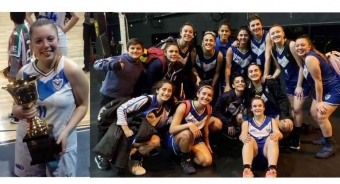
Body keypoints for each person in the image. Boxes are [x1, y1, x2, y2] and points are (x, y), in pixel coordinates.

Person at [12, 18, 89, 177]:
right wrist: (20, 111)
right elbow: (16, 107)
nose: (46, 45)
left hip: (60, 141)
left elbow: (83, 105)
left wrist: (66, 132)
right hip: (28, 143)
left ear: (58, 40)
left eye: (50, 39)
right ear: (31, 45)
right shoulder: (24, 73)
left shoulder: (71, 70)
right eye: (38, 41)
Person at [93, 38, 145, 170]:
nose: (135, 51)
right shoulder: (119, 59)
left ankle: (111, 152)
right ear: (128, 49)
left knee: (118, 126)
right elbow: (97, 64)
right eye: (132, 48)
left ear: (142, 50)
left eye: (138, 48)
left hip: (125, 99)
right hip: (109, 97)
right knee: (104, 125)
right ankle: (100, 156)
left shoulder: (140, 65)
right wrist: (112, 65)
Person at [116, 80, 175, 175]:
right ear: (157, 90)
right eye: (164, 89)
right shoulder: (146, 99)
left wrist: (176, 118)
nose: (166, 93)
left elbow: (160, 124)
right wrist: (126, 129)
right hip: (131, 130)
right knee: (155, 141)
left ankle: (134, 158)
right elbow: (121, 109)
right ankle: (127, 152)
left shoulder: (165, 109)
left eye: (169, 91)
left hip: (143, 133)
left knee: (155, 141)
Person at [295, 34, 340, 158]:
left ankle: (330, 145)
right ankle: (326, 136)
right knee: (313, 112)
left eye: (303, 45)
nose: (299, 47)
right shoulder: (304, 58)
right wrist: (299, 85)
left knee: (321, 115)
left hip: (334, 88)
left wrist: (319, 102)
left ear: (309, 46)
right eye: (297, 45)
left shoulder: (310, 58)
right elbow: (301, 69)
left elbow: (318, 81)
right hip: (324, 89)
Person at [269, 24, 311, 150]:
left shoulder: (291, 45)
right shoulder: (273, 49)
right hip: (288, 82)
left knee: (297, 109)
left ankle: (296, 137)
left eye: (278, 32)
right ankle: (294, 134)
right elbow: (278, 68)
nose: (275, 35)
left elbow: (301, 66)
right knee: (292, 108)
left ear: (283, 34)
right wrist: (272, 77)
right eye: (273, 33)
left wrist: (298, 85)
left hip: (300, 82)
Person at [166, 83, 214, 175]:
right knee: (187, 133)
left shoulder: (209, 108)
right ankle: (185, 160)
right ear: (198, 94)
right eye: (203, 94)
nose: (206, 97)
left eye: (209, 95)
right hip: (177, 137)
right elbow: (172, 129)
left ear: (211, 98)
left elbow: (205, 128)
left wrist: (207, 144)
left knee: (206, 162)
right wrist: (189, 125)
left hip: (194, 139)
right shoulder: (185, 105)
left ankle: (187, 150)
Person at [240, 96, 283, 178]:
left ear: (264, 108)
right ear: (251, 109)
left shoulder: (271, 121)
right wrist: (243, 137)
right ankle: (247, 170)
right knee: (249, 139)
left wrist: (276, 135)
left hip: (268, 155)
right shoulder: (246, 123)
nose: (257, 108)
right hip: (252, 156)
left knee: (272, 139)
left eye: (260, 106)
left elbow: (280, 134)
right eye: (255, 106)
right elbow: (241, 135)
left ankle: (272, 170)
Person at [246, 63, 293, 134]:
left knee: (287, 126)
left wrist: (284, 116)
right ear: (248, 75)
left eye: (256, 70)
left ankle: (284, 141)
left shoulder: (270, 83)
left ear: (260, 72)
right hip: (259, 116)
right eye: (251, 71)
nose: (254, 73)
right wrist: (250, 120)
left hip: (274, 113)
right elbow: (248, 106)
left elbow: (282, 99)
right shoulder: (248, 89)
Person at [7, 12, 31, 124]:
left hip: (20, 68)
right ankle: (15, 111)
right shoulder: (25, 27)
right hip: (28, 65)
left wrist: (12, 75)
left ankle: (18, 116)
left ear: (11, 17)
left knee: (18, 92)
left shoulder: (16, 34)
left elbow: (15, 57)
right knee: (22, 92)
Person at [213, 73, 247, 139]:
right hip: (223, 119)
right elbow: (215, 111)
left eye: (242, 81)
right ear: (233, 85)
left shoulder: (246, 96)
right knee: (216, 125)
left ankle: (242, 136)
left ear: (245, 85)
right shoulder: (225, 96)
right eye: (237, 82)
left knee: (243, 116)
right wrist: (228, 123)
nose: (240, 83)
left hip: (234, 119)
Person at [194, 31, 223, 105]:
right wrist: (197, 77)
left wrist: (211, 87)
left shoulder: (219, 55)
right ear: (202, 42)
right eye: (206, 40)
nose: (208, 42)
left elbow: (217, 73)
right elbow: (191, 67)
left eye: (211, 40)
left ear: (215, 43)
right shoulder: (195, 51)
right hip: (196, 81)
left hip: (210, 81)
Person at [247, 14, 276, 82]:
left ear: (261, 25)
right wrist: (236, 42)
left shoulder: (267, 35)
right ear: (249, 28)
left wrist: (265, 75)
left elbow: (268, 57)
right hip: (255, 72)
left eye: (258, 24)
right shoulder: (249, 38)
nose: (256, 27)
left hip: (269, 70)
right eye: (253, 25)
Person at [225, 26, 252, 92]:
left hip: (247, 82)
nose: (243, 37)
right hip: (234, 82)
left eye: (246, 35)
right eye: (241, 35)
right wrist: (227, 84)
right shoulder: (231, 50)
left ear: (249, 37)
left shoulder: (251, 50)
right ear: (237, 36)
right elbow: (227, 68)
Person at [215, 19, 233, 93]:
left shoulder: (233, 44)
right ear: (218, 31)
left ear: (230, 32)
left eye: (226, 31)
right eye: (222, 31)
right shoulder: (213, 42)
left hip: (228, 74)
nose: (224, 33)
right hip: (215, 73)